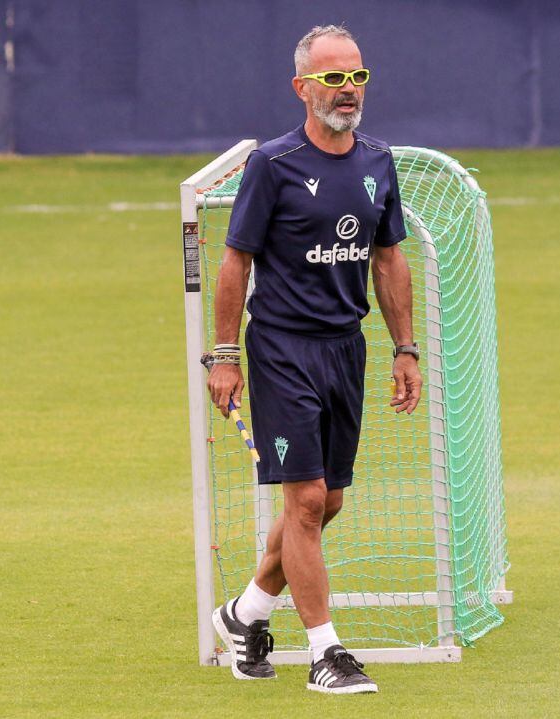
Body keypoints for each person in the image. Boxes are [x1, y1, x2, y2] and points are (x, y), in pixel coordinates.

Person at [206, 24, 422, 695]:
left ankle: (245, 614)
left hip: (345, 349)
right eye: (333, 78)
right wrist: (224, 354)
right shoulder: (273, 165)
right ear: (302, 87)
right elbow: (235, 262)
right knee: (302, 502)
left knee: (326, 502)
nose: (348, 89)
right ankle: (326, 653)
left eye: (357, 76)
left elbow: (388, 259)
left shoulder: (378, 161)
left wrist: (405, 348)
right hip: (281, 350)